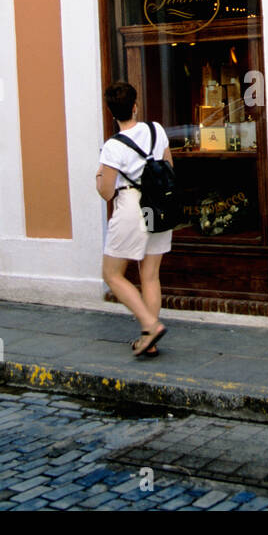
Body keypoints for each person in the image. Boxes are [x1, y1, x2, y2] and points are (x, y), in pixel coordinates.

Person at [95, 82, 169, 356]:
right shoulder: (156, 130)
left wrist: (98, 174)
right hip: (158, 205)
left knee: (112, 274)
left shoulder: (112, 146)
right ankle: (149, 341)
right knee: (150, 275)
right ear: (135, 106)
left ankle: (150, 326)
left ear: (112, 112)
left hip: (131, 208)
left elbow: (105, 192)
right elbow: (169, 166)